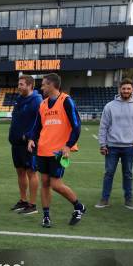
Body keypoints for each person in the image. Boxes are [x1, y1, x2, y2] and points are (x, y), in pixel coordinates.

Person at [27, 73, 84, 228]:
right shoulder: (43, 104)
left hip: (59, 152)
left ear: (52, 85)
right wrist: (32, 139)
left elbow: (76, 126)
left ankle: (79, 206)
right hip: (42, 150)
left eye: (44, 84)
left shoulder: (66, 101)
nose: (42, 87)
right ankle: (46, 217)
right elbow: (37, 126)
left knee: (56, 184)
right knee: (44, 183)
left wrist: (68, 145)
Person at [96, 78, 133, 210]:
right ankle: (104, 199)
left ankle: (128, 200)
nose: (126, 91)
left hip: (130, 147)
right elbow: (103, 126)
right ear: (119, 89)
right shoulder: (110, 106)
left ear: (132, 90)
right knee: (109, 173)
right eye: (123, 88)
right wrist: (103, 144)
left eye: (128, 88)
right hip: (112, 146)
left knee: (128, 174)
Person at [9, 75, 42, 215]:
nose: (19, 86)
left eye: (21, 84)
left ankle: (32, 204)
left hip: (29, 144)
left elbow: (40, 122)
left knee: (31, 172)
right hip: (16, 142)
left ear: (30, 86)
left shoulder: (37, 101)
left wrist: (31, 137)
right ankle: (23, 200)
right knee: (20, 172)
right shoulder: (19, 99)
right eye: (19, 84)